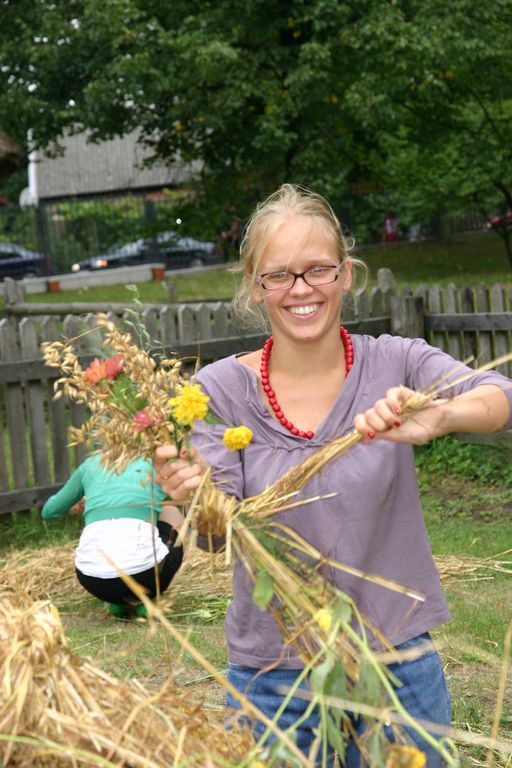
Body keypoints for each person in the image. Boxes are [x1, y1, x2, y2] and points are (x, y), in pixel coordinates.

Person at [153, 184, 512, 766]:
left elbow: (499, 396)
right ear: (256, 286)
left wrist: (441, 415)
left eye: (318, 269)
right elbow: (218, 539)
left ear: (346, 274)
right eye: (279, 275)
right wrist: (196, 499)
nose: (301, 289)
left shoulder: (395, 361)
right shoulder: (218, 391)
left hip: (396, 663)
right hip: (274, 677)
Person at [42, 453, 184, 618]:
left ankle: (117, 603)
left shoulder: (90, 465)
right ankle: (149, 600)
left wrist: (85, 504)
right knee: (169, 510)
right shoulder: (156, 464)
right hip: (147, 577)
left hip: (93, 581)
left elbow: (49, 511)